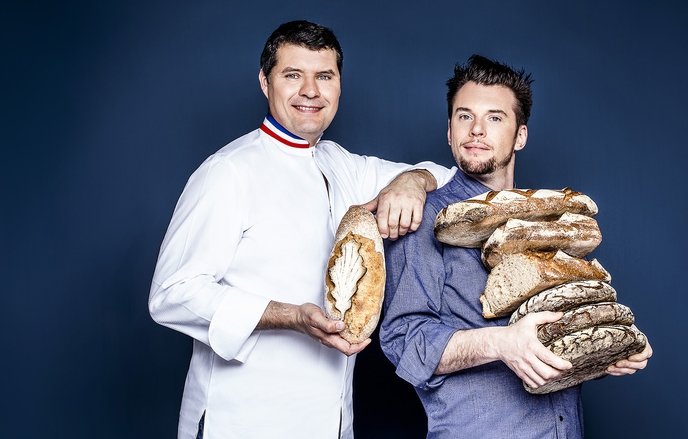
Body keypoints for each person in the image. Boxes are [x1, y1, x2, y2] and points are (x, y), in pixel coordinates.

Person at [149, 20, 453, 439]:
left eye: (324, 76)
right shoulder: (228, 172)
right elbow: (171, 294)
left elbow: (449, 179)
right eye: (293, 75)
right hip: (239, 420)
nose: (311, 90)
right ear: (265, 81)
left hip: (331, 423)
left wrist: (413, 180)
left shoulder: (341, 164)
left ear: (339, 86)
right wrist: (290, 316)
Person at [379, 54, 653, 438]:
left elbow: (555, 329)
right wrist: (502, 343)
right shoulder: (426, 219)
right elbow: (404, 340)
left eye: (494, 117)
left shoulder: (548, 221)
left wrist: (606, 349)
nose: (476, 130)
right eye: (464, 116)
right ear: (449, 131)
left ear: (520, 135)